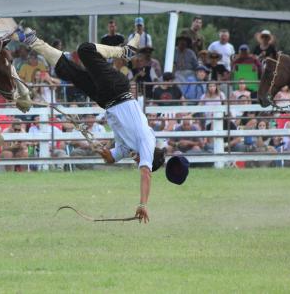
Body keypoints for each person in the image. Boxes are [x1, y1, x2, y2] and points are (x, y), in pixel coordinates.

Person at [13, 26, 174, 223]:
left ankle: (32, 41)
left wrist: (100, 149)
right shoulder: (147, 142)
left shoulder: (130, 148)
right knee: (85, 50)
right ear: (147, 156)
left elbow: (111, 158)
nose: (135, 161)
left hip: (105, 99)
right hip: (117, 90)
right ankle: (125, 52)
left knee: (67, 70)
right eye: (138, 160)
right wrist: (142, 204)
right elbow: (146, 174)